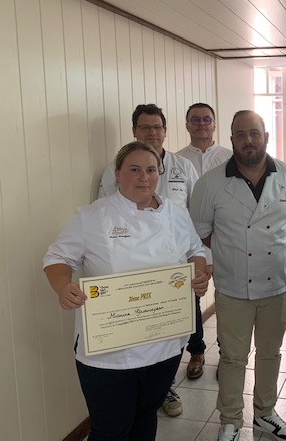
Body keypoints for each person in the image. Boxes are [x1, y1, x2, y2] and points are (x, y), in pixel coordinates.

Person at [44, 141, 209, 441]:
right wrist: (62, 286)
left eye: (150, 170)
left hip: (164, 342)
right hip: (109, 351)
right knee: (111, 430)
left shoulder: (174, 214)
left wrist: (199, 273)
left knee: (146, 416)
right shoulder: (92, 216)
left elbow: (196, 250)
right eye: (134, 170)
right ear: (117, 174)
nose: (143, 177)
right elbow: (57, 258)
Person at [190, 110, 286, 441]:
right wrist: (233, 253)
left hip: (279, 284)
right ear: (232, 140)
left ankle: (266, 413)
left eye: (254, 133)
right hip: (232, 287)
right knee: (232, 357)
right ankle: (230, 420)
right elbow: (201, 231)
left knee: (271, 352)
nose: (248, 140)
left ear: (266, 136)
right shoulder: (210, 183)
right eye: (241, 135)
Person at [98, 103, 199, 416]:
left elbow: (194, 215)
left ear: (166, 131)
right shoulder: (115, 168)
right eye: (145, 127)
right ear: (134, 131)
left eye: (157, 127)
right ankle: (149, 391)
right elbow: (105, 217)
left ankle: (166, 381)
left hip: (174, 271)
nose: (152, 133)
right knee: (139, 332)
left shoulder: (184, 167)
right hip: (133, 272)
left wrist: (197, 261)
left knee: (176, 329)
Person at [176, 102, 233, 379]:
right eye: (195, 120)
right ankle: (196, 351)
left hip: (224, 243)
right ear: (187, 125)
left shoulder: (229, 157)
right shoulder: (176, 161)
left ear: (214, 124)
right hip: (189, 246)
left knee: (226, 299)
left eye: (206, 119)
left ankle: (226, 353)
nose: (201, 124)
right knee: (192, 301)